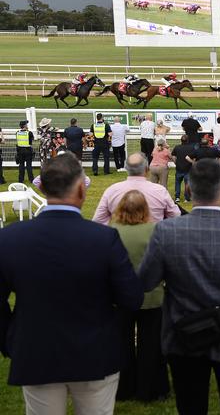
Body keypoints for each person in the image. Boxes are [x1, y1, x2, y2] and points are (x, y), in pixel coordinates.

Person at [0, 153, 143, 414]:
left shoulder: (10, 238)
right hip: (93, 351)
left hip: (37, 350)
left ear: (41, 188)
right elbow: (131, 298)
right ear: (80, 189)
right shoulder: (103, 238)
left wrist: (10, 338)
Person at [139, 159, 220, 415]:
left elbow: (146, 281)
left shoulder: (167, 231)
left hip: (184, 332)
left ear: (187, 189)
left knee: (191, 406)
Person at [112, 190, 169, 402]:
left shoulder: (112, 231)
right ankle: (151, 389)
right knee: (152, 344)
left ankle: (125, 388)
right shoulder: (156, 230)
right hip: (152, 295)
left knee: (123, 343)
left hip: (121, 297)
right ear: (145, 209)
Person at [93, 153, 180, 225]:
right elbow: (176, 216)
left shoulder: (112, 191)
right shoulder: (160, 191)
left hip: (121, 241)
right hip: (153, 240)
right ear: (146, 169)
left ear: (127, 169)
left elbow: (98, 221)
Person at [171, 135, 194, 203]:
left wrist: (176, 163)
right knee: (187, 184)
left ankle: (177, 197)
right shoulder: (191, 148)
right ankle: (187, 198)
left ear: (181, 140)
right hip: (188, 168)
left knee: (177, 183)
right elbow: (194, 157)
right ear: (187, 140)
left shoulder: (177, 147)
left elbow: (173, 156)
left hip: (179, 168)